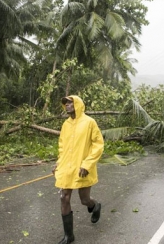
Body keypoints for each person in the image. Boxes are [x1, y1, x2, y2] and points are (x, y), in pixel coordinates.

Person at [52, 95, 104, 244]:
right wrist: (58, 162)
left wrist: (87, 164)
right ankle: (69, 236)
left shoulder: (89, 123)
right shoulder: (65, 125)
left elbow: (98, 145)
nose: (67, 105)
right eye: (65, 103)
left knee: (84, 199)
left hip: (83, 168)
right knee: (64, 197)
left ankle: (95, 206)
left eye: (70, 102)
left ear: (78, 104)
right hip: (67, 168)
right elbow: (63, 147)